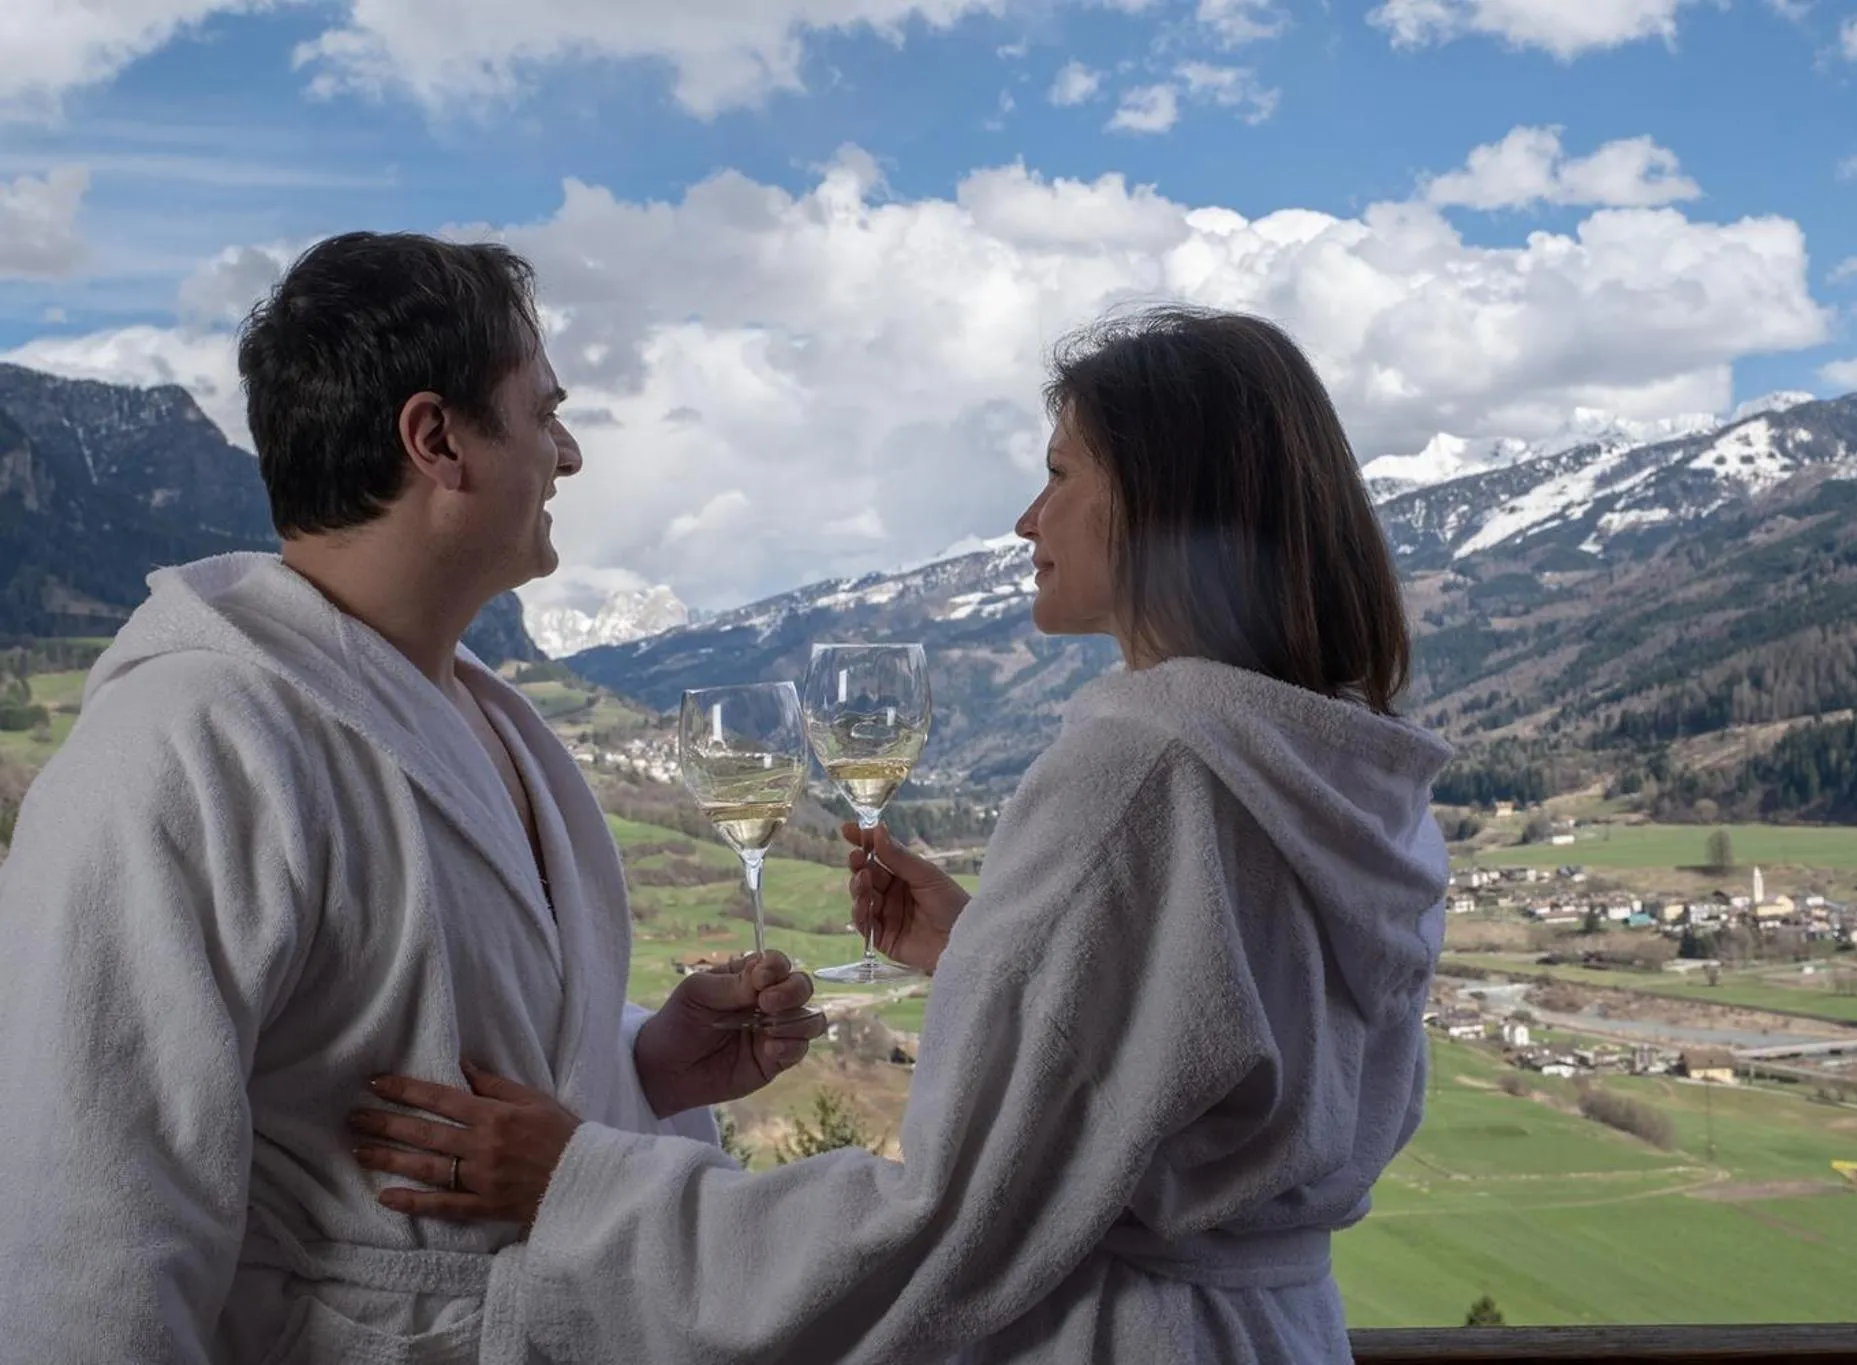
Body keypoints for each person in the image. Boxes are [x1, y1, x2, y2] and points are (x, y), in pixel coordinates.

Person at [353, 307, 1454, 1363]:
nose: (1028, 519)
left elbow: (946, 1220)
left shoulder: (1145, 767)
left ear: (1161, 500)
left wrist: (579, 1184)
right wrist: (994, 960)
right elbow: (1208, 1059)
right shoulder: (1331, 767)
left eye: (1060, 474)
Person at [0, 231, 821, 1364]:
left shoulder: (487, 714)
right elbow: (84, 1235)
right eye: (543, 413)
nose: (570, 454)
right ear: (436, 440)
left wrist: (641, 1065)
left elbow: (441, 1036)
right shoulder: (182, 745)